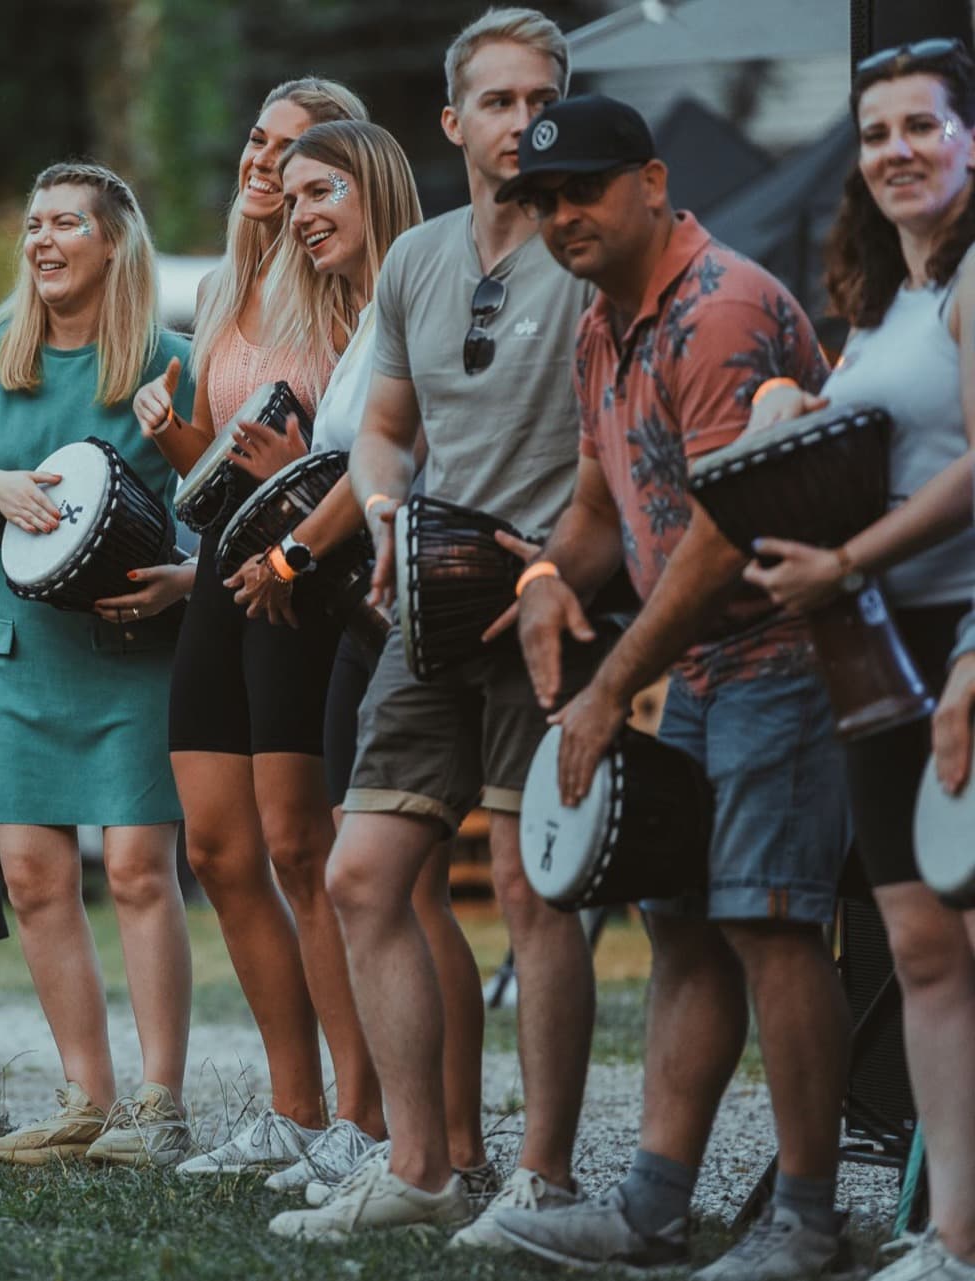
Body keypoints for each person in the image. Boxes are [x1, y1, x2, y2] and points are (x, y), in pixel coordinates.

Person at [479, 95, 851, 1278]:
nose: (560, 216)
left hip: (786, 657)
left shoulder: (722, 308)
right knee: (685, 923)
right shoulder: (606, 321)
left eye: (581, 189)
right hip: (699, 663)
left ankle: (807, 1221)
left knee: (773, 925)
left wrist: (606, 690)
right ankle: (650, 1213)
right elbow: (601, 512)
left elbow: (720, 533)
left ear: (651, 181)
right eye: (541, 200)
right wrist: (544, 576)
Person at [277, 8, 598, 1246]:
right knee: (363, 876)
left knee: (531, 888)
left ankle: (544, 1178)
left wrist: (563, 561)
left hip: (550, 605)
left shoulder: (592, 249)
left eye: (541, 99)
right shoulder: (415, 261)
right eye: (499, 102)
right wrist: (386, 517)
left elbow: (628, 435)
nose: (522, 122)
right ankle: (418, 1168)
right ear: (452, 121)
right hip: (429, 602)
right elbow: (387, 427)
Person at [732, 41, 975, 1281]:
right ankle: (949, 1241)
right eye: (875, 132)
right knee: (925, 948)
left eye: (922, 126)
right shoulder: (882, 300)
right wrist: (790, 404)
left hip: (963, 638)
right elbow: (863, 441)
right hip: (880, 647)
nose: (894, 151)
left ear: (971, 141)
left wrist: (852, 561)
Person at [216, 118, 491, 1200]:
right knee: (376, 885)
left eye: (321, 190)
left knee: (413, 892)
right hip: (364, 619)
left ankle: (456, 1146)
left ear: (376, 183)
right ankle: (405, 1142)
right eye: (291, 200)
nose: (302, 214)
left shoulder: (421, 291)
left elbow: (408, 450)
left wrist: (293, 544)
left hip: (408, 609)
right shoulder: (370, 310)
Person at [0, 162, 195, 1165]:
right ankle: (87, 1097)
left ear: (113, 242)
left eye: (65, 223)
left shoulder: (169, 361)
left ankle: (159, 1106)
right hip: (12, 646)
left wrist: (182, 581)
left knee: (135, 871)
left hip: (127, 648)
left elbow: (210, 511)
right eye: (33, 223)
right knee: (34, 877)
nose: (42, 240)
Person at [129, 75, 375, 1179]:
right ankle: (294, 1104)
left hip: (305, 583)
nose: (261, 162)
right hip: (226, 576)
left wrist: (297, 480)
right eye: (256, 138)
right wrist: (183, 438)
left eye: (292, 151)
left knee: (298, 845)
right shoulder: (228, 285)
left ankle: (364, 1117)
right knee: (221, 850)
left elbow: (358, 451)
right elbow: (226, 478)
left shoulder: (342, 282)